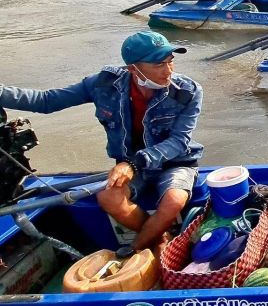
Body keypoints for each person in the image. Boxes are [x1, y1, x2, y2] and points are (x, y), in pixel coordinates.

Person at [0, 31, 203, 253]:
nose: (168, 71)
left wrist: (134, 163)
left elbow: (178, 141)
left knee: (173, 201)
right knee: (108, 198)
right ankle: (159, 241)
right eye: (158, 65)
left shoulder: (187, 91)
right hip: (129, 167)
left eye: (170, 62)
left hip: (175, 163)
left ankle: (135, 249)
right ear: (133, 68)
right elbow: (47, 101)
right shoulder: (103, 84)